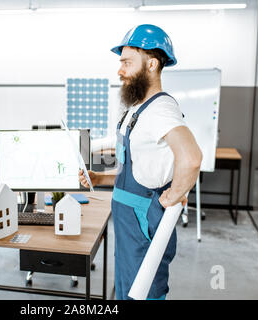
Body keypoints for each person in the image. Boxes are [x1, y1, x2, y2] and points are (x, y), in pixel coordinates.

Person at [79, 25, 202, 300]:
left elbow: (192, 158)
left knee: (145, 291)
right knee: (127, 289)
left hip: (143, 217)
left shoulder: (161, 108)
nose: (120, 70)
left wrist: (174, 195)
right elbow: (135, 159)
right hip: (127, 213)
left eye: (126, 62)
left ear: (152, 64)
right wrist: (99, 177)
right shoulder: (134, 108)